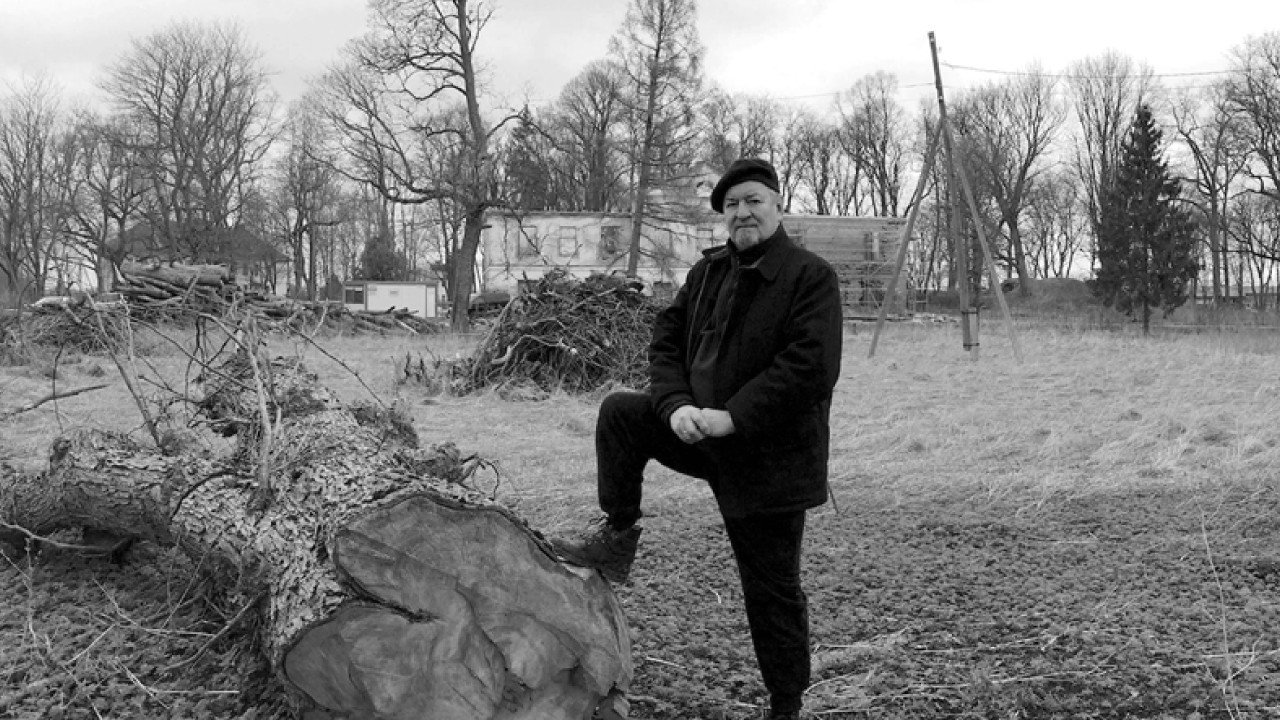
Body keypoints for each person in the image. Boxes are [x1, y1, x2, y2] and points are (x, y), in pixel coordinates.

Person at [551, 157, 843, 720]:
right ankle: (618, 534)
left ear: (777, 206)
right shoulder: (707, 274)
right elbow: (665, 340)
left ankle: (786, 703)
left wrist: (734, 417)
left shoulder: (809, 276)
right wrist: (675, 406)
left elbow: (810, 367)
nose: (742, 212)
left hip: (770, 457)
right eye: (732, 205)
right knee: (622, 414)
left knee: (772, 590)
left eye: (753, 200)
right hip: (700, 433)